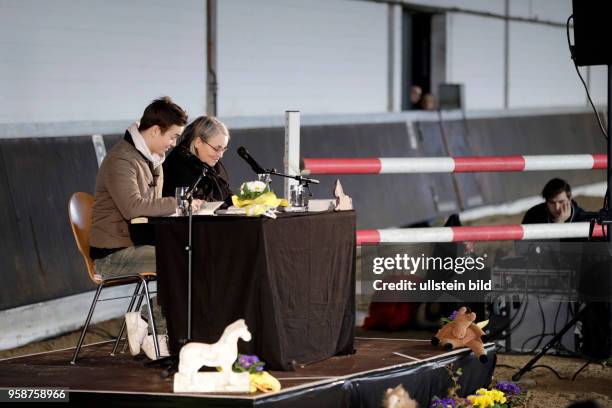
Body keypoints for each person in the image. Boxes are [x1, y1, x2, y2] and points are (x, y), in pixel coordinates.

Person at [90, 96, 200, 359]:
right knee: (178, 259)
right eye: (172, 137)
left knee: (188, 255)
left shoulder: (153, 159)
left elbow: (150, 207)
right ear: (154, 130)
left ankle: (144, 321)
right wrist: (180, 203)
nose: (173, 143)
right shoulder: (121, 160)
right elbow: (133, 206)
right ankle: (158, 336)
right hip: (111, 255)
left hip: (137, 244)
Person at [162, 116, 233, 206]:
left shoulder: (208, 164)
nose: (220, 155)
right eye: (216, 149)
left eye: (223, 149)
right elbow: (198, 202)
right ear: (198, 142)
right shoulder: (178, 167)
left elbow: (225, 195)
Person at [522, 178, 587, 224]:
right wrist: (558, 223)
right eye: (552, 202)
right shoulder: (533, 215)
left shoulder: (583, 220)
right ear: (546, 202)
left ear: (569, 199)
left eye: (561, 202)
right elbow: (522, 243)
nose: (557, 207)